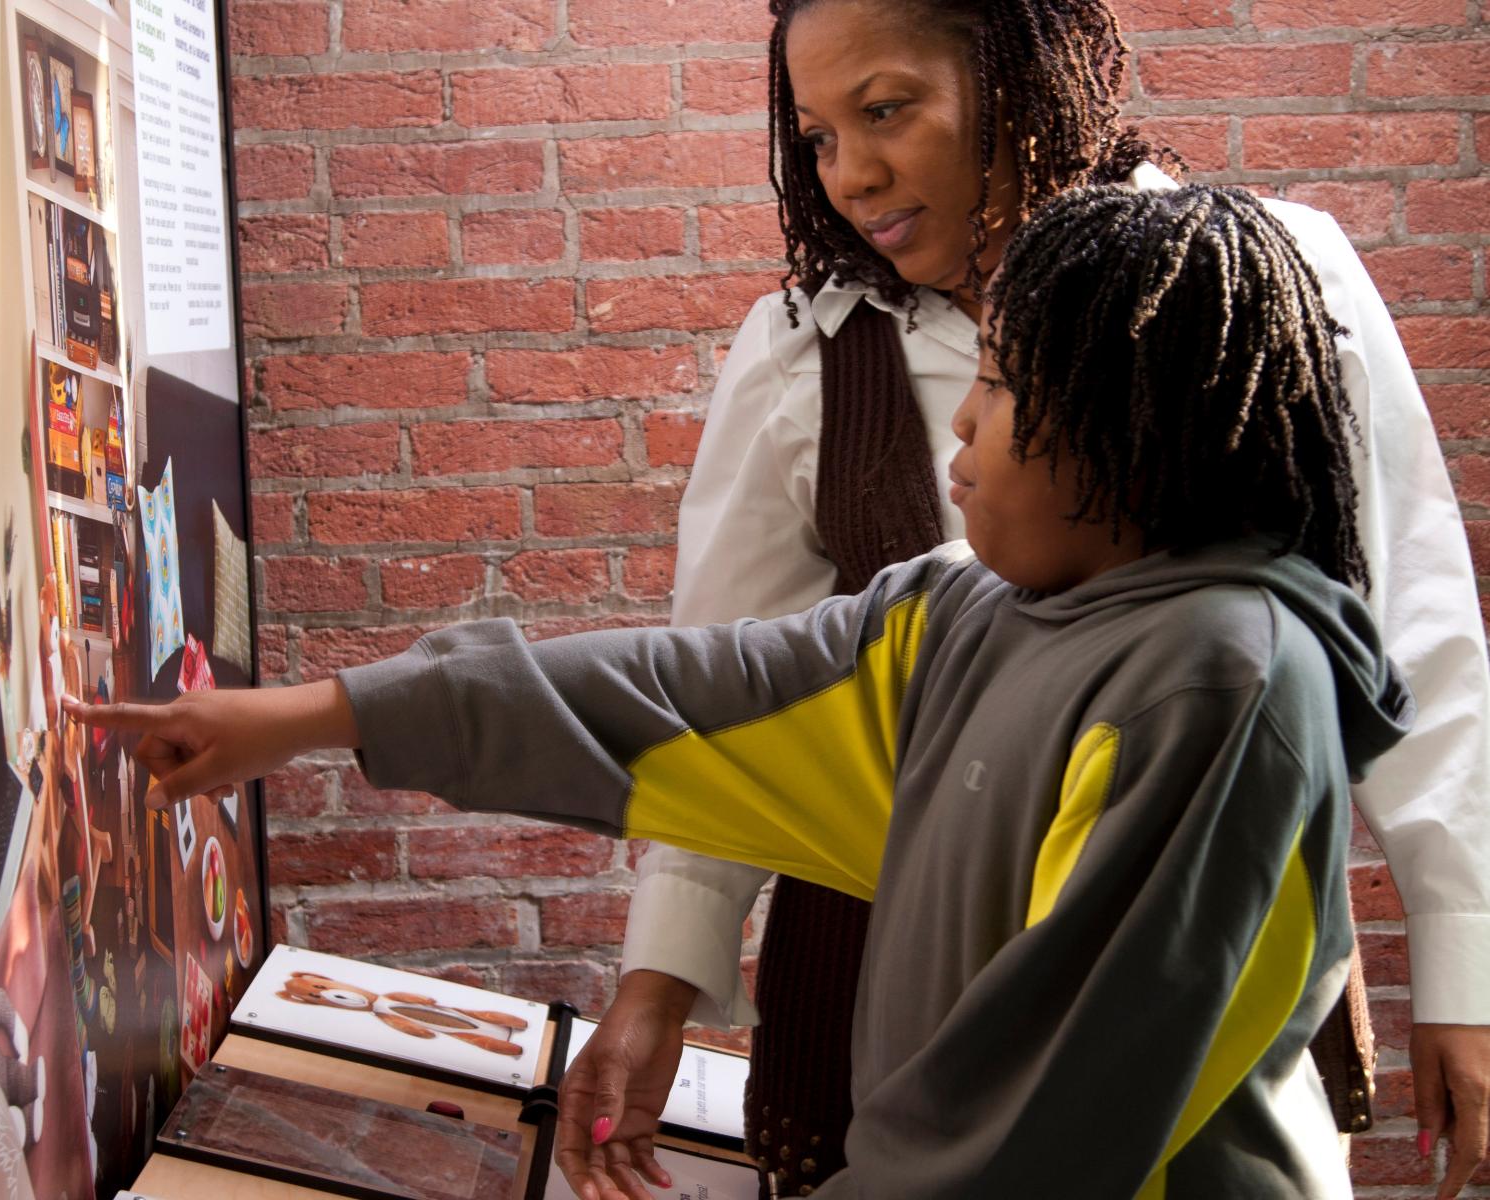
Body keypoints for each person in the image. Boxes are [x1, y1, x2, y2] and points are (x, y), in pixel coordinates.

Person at [75, 185, 1437, 1196]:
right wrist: (326, 716)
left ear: (1144, 430)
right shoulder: (968, 610)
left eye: (1009, 389)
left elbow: (1042, 1120)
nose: (961, 422)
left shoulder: (1226, 679)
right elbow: (682, 694)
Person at [576, 0, 1488, 1195]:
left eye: (887, 110)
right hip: (898, 972)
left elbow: (1410, 631)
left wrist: (1464, 965)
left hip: (1193, 951)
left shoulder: (1262, 281)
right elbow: (737, 703)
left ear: (1019, 75)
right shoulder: (806, 348)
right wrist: (660, 981)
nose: (851, 175)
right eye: (815, 137)